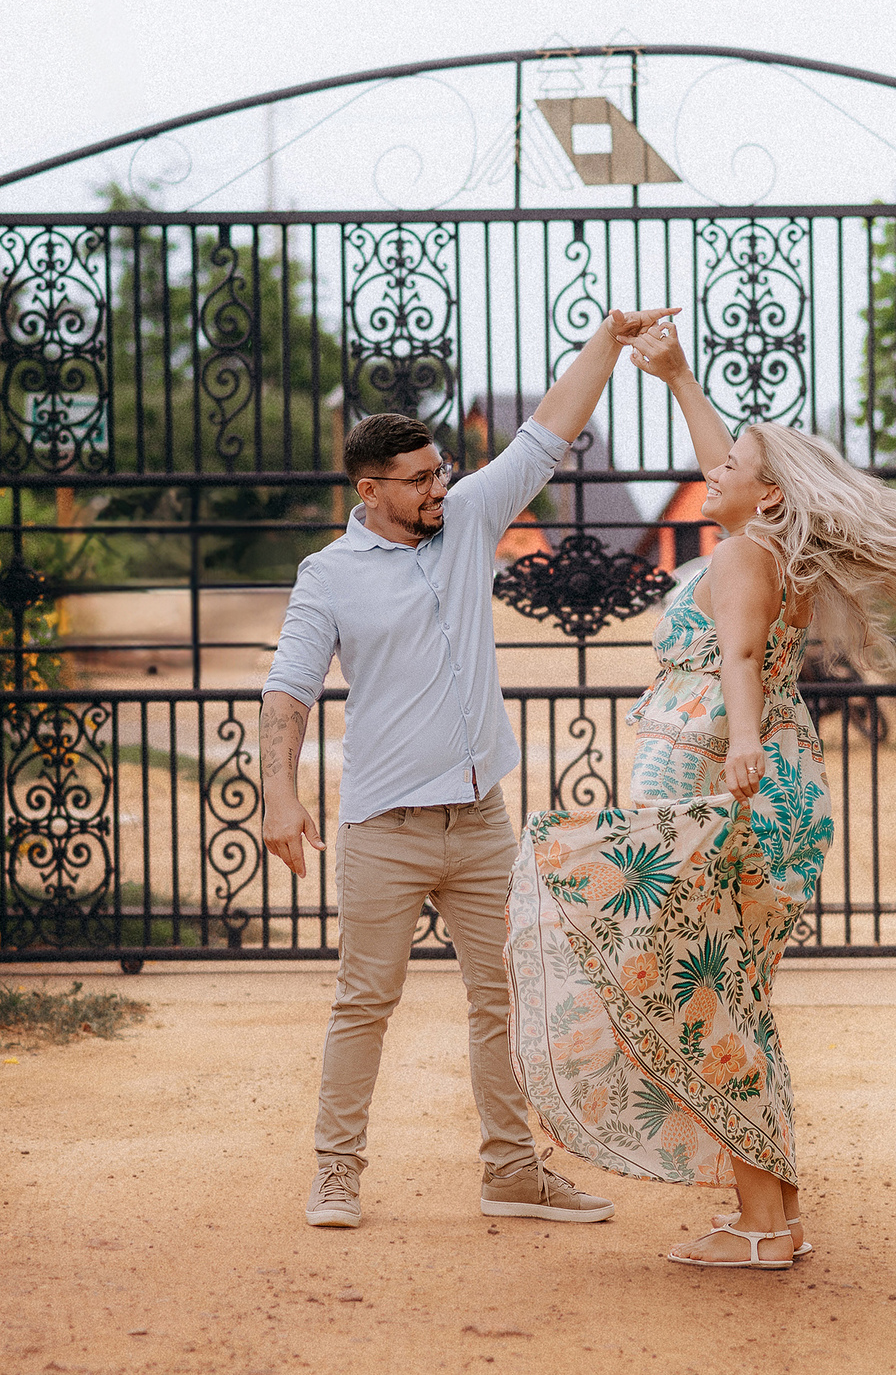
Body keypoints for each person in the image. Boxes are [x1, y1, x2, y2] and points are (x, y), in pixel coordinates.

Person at [506, 320, 896, 1268]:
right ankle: (774, 1217)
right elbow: (738, 485)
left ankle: (760, 1227)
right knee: (731, 993)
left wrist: (741, 743)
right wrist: (679, 380)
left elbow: (740, 657)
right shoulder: (770, 547)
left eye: (732, 467)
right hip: (762, 781)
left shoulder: (744, 556)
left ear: (770, 492)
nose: (712, 472)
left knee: (700, 995)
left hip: (718, 779)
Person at [260, 303, 679, 1230]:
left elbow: (547, 433)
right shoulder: (328, 575)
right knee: (364, 1003)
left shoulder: (470, 517)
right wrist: (279, 794)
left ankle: (512, 1173)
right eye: (417, 480)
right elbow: (289, 689)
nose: (438, 488)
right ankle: (336, 1173)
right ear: (370, 489)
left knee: (506, 1000)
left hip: (482, 821)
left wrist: (606, 343)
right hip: (384, 827)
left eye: (440, 470)